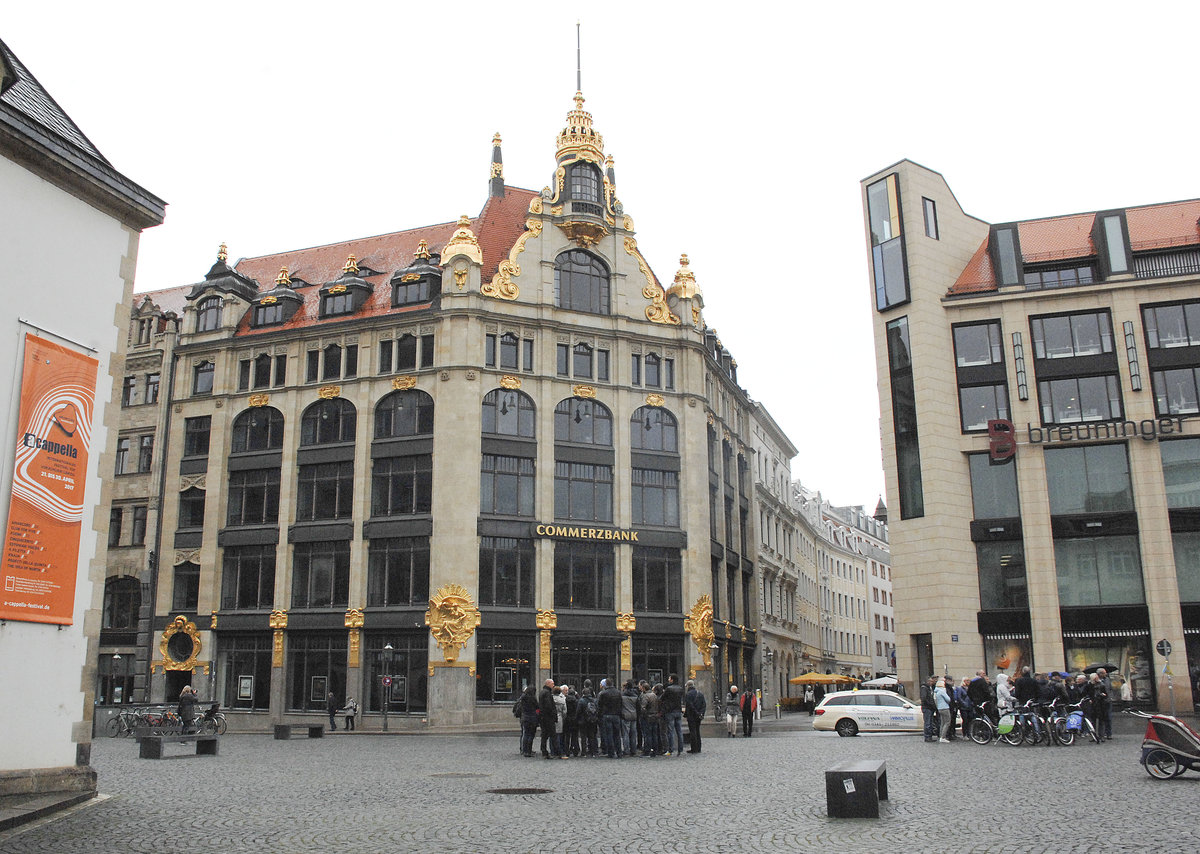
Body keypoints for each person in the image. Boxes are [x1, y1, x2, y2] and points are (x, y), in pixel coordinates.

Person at [597, 678, 624, 758]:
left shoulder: (603, 693)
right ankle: (619, 752)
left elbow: (599, 705)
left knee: (609, 734)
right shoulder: (618, 693)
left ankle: (611, 753)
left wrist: (600, 714)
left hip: (606, 715)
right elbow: (621, 704)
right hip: (616, 715)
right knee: (617, 735)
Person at [661, 674, 685, 756]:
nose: (668, 679)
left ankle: (670, 750)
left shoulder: (669, 689)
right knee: (679, 731)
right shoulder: (680, 688)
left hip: (670, 711)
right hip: (678, 711)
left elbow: (662, 698)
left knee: (670, 731)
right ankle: (680, 749)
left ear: (672, 680)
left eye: (669, 678)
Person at [538, 678, 559, 759]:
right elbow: (548, 706)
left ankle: (544, 751)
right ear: (548, 684)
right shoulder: (547, 693)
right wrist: (553, 715)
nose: (553, 685)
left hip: (543, 717)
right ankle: (557, 752)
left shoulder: (542, 692)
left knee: (544, 735)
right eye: (552, 683)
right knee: (553, 735)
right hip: (548, 718)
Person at [684, 679, 706, 754]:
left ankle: (694, 748)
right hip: (698, 716)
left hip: (691, 716)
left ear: (688, 686)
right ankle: (699, 747)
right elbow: (704, 705)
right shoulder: (700, 693)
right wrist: (701, 713)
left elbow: (689, 705)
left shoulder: (688, 694)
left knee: (692, 731)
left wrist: (695, 713)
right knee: (697, 731)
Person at [577, 683, 599, 757]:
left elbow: (578, 711)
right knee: (592, 736)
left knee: (583, 737)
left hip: (583, 721)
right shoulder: (595, 700)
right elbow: (597, 710)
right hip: (592, 721)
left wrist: (578, 719)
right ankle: (593, 752)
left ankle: (584, 752)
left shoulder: (581, 701)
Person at [640, 681, 661, 757]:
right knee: (654, 734)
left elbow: (643, 708)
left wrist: (644, 715)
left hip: (648, 717)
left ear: (643, 688)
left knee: (647, 735)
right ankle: (655, 750)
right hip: (655, 716)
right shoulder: (654, 695)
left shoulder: (645, 696)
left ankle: (647, 750)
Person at [518, 684, 539, 757]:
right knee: (531, 735)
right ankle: (529, 751)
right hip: (532, 718)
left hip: (525, 717)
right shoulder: (533, 698)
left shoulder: (523, 698)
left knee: (525, 734)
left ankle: (524, 750)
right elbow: (537, 707)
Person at [620, 680, 639, 756]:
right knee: (633, 734)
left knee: (625, 734)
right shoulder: (635, 696)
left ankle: (626, 750)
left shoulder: (622, 696)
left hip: (625, 716)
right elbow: (638, 707)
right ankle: (633, 750)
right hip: (634, 716)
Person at [1096, 668, 1114, 739]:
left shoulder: (1107, 679)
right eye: (1103, 673)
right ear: (1099, 674)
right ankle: (1101, 734)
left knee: (1109, 717)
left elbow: (1110, 689)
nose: (1105, 674)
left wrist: (1111, 697)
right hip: (1100, 702)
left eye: (1105, 673)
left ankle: (1109, 733)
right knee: (1101, 718)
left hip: (1108, 701)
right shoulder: (1096, 680)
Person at [562, 684, 579, 756]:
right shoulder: (577, 701)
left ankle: (567, 751)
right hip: (574, 719)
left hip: (567, 719)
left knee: (567, 736)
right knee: (575, 736)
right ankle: (575, 750)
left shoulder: (565, 700)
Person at [919, 676, 938, 742]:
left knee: (930, 722)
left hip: (930, 708)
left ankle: (929, 736)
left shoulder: (930, 688)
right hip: (927, 708)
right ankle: (927, 736)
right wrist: (931, 704)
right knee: (928, 723)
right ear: (928, 682)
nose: (932, 683)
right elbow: (924, 698)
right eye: (931, 681)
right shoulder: (924, 688)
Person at [552, 686, 568, 758]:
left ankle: (553, 751)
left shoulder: (550, 699)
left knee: (552, 735)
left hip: (552, 718)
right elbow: (565, 711)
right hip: (559, 717)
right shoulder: (562, 700)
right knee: (558, 735)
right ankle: (559, 750)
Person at [934, 678, 951, 743]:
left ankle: (941, 735)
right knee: (947, 722)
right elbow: (948, 699)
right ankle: (943, 737)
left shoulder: (937, 691)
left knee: (942, 723)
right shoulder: (942, 691)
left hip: (940, 708)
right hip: (945, 707)